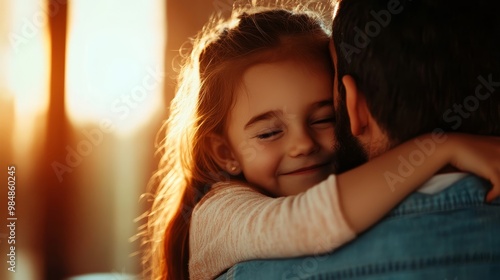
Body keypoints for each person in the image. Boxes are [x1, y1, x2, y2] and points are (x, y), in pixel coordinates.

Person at [142, 4, 500, 280]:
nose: (303, 144)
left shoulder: (351, 178)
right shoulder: (216, 214)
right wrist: (441, 147)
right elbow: (305, 222)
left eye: (324, 119)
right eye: (268, 133)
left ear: (350, 110)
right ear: (225, 152)